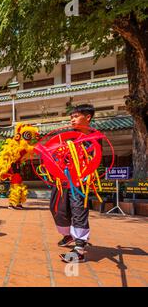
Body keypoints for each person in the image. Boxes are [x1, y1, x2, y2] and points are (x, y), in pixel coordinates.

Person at [51, 104, 95, 263]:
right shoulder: (69, 137)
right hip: (63, 181)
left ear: (87, 117)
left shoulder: (94, 138)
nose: (72, 120)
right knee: (57, 209)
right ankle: (69, 235)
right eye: (71, 117)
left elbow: (94, 161)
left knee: (78, 211)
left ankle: (79, 249)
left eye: (76, 116)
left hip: (80, 184)